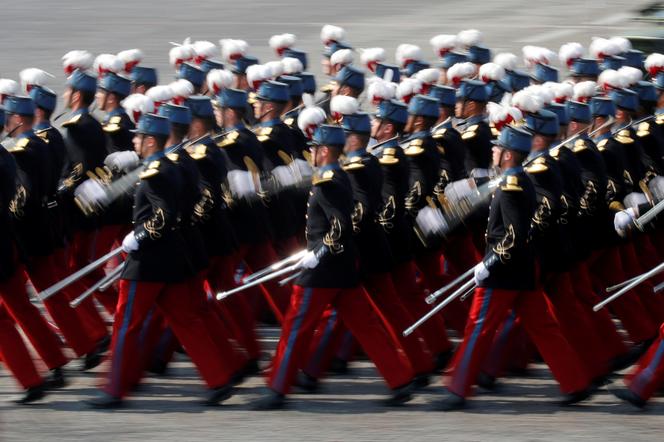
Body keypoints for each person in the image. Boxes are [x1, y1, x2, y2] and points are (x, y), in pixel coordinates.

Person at [253, 125, 415, 410]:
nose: (312, 153)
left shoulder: (328, 181)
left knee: (295, 326)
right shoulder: (337, 176)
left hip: (323, 270)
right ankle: (400, 378)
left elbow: (340, 225)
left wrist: (318, 252)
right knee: (367, 327)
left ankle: (277, 386)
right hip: (341, 267)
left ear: (324, 151)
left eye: (315, 148)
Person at [437, 125, 594, 411]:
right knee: (545, 329)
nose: (493, 151)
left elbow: (513, 234)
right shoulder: (516, 180)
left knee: (478, 328)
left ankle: (458, 387)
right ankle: (575, 381)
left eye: (498, 149)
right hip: (522, 269)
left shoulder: (511, 187)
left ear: (508, 155)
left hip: (504, 272)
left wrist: (490, 262)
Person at [88, 114, 235, 408]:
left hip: (148, 262)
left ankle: (114, 388)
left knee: (125, 324)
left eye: (138, 137)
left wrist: (138, 236)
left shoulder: (156, 171)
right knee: (186, 321)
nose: (134, 141)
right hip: (174, 258)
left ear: (151, 141)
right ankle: (218, 378)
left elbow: (162, 215)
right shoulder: (178, 165)